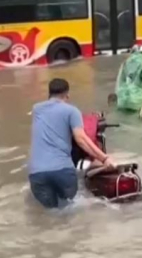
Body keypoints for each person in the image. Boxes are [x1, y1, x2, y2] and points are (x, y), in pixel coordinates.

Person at [28, 78, 115, 209]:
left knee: (51, 213)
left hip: (36, 174)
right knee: (69, 210)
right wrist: (104, 158)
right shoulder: (71, 111)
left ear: (49, 94)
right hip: (62, 171)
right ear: (67, 95)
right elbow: (81, 139)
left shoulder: (36, 110)